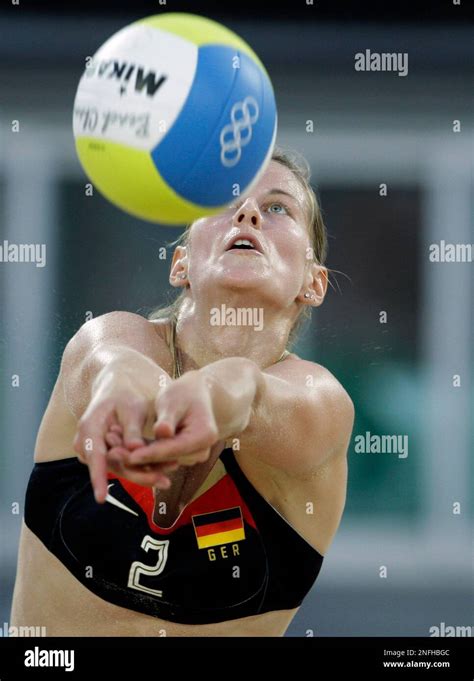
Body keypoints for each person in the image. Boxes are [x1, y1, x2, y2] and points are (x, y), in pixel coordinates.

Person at [10, 146, 354, 637]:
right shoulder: (114, 336)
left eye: (277, 208)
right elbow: (112, 361)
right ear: (181, 264)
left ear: (313, 283)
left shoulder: (319, 402)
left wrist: (214, 396)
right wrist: (121, 390)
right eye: (223, 200)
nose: (248, 212)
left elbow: (250, 395)